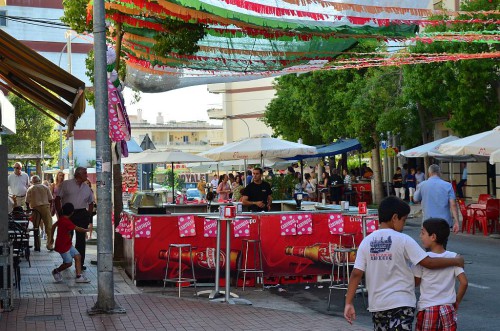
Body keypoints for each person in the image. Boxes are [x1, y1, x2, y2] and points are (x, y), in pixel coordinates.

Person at [344, 196, 464, 330]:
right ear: (395, 218)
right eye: (404, 220)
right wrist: (456, 260)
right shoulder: (403, 240)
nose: (404, 224)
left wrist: (349, 303)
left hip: (378, 305)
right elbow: (429, 262)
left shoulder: (366, 241)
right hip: (402, 303)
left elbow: (356, 273)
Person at [413, 218, 468, 331]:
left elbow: (416, 282)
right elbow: (464, 282)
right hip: (447, 309)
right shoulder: (454, 257)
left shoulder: (423, 259)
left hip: (428, 308)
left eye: (423, 233)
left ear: (433, 237)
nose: (420, 236)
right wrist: (456, 301)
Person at [55, 167, 94, 270]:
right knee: (67, 237)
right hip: (68, 213)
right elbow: (57, 198)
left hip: (81, 213)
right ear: (78, 174)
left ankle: (80, 263)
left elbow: (91, 202)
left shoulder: (86, 187)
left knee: (81, 240)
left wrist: (88, 215)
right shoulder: (66, 184)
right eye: (85, 173)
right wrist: (60, 213)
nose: (86, 175)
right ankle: (67, 261)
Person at [414, 165, 460, 241]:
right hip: (443, 222)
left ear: (429, 173)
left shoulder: (422, 185)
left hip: (428, 221)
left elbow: (415, 199)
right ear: (439, 173)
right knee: (442, 245)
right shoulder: (448, 185)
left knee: (429, 248)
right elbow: (453, 205)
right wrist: (456, 222)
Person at [50, 202, 90, 283]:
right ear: (72, 212)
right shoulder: (67, 222)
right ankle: (56, 271)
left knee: (78, 256)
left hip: (67, 244)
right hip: (63, 246)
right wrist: (87, 230)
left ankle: (79, 276)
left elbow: (53, 226)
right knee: (68, 263)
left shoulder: (61, 219)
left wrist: (51, 238)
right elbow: (77, 228)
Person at [26, 175, 54, 251]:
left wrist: (29, 210)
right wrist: (50, 208)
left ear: (32, 182)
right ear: (39, 180)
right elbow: (51, 199)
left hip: (35, 209)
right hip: (45, 207)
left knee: (36, 228)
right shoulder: (45, 187)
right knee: (49, 227)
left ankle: (37, 245)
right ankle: (49, 245)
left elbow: (27, 201)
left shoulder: (30, 188)